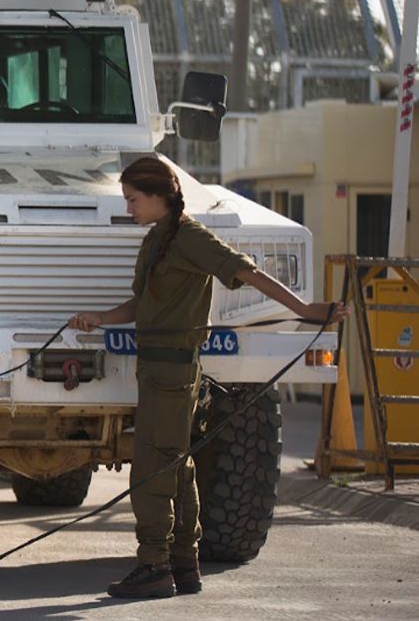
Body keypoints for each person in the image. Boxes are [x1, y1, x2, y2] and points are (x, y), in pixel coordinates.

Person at [67, 156, 348, 600]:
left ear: (160, 196)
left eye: (134, 199)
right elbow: (143, 304)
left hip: (173, 370)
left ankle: (154, 565)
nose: (130, 208)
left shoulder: (192, 238)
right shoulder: (159, 239)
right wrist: (99, 318)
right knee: (176, 465)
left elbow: (247, 272)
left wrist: (307, 311)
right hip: (158, 367)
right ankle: (183, 564)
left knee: (154, 467)